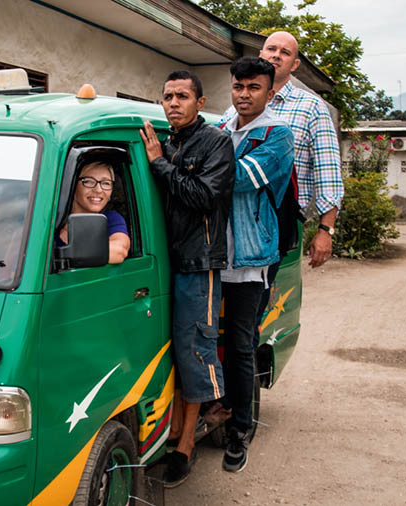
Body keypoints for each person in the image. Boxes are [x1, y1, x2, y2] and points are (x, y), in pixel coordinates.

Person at [140, 71, 235, 487]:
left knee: (193, 349)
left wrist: (159, 164)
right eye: (168, 96)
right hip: (162, 263)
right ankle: (171, 427)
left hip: (198, 263)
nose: (174, 103)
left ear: (200, 102)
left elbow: (202, 196)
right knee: (165, 350)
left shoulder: (215, 143)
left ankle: (186, 445)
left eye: (182, 96)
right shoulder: (164, 141)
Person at [219, 57, 294, 473]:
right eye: (238, 87)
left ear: (269, 92)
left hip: (250, 260)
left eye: (253, 88)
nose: (244, 95)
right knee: (206, 339)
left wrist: (193, 162)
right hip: (211, 255)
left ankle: (240, 430)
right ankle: (217, 407)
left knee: (240, 345)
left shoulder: (277, 135)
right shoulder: (220, 129)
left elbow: (240, 177)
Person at [221, 31, 344, 269]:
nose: (276, 55)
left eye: (285, 53)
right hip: (236, 216)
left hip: (281, 217)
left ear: (295, 64)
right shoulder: (232, 111)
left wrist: (325, 230)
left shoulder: (311, 107)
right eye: (271, 49)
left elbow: (328, 171)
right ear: (261, 54)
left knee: (268, 288)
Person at [57, 161, 130, 264]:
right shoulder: (54, 221)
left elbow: (119, 251)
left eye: (106, 183)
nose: (98, 190)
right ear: (72, 185)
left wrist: (64, 254)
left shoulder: (112, 219)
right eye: (88, 181)